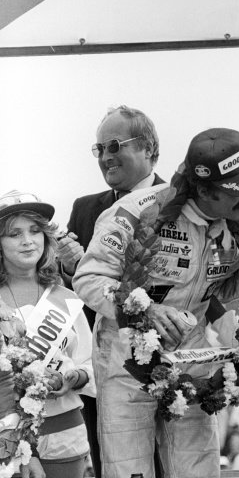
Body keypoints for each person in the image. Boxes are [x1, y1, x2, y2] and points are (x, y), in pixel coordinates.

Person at [73, 127, 239, 478]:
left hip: (192, 361)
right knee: (129, 471)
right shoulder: (135, 212)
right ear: (204, 190)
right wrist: (145, 308)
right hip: (126, 360)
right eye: (237, 192)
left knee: (199, 470)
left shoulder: (237, 225)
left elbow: (226, 295)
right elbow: (88, 278)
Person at [56, 105, 164, 478]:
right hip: (105, 375)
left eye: (115, 145)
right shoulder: (85, 209)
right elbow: (76, 300)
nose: (106, 157)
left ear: (149, 148)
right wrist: (74, 269)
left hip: (167, 368)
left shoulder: (180, 206)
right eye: (99, 148)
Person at [0, 190, 95, 478]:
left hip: (66, 433)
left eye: (35, 231)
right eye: (14, 234)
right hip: (5, 435)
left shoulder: (66, 298)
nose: (28, 241)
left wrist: (73, 378)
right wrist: (18, 448)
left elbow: (90, 362)